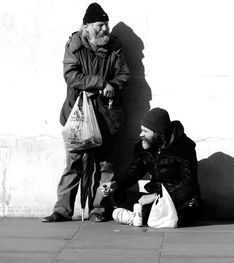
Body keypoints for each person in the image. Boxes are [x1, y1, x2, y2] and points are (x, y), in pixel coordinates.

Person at [42, 2, 129, 223]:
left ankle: (99, 209)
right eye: (100, 25)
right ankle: (62, 210)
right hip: (78, 117)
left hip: (107, 117)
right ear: (87, 27)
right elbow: (71, 76)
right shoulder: (74, 46)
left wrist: (111, 88)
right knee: (74, 164)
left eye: (106, 25)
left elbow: (124, 75)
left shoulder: (114, 47)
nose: (105, 29)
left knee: (105, 166)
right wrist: (100, 84)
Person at [101, 108, 201, 226]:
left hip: (177, 200)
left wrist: (158, 197)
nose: (140, 134)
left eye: (145, 131)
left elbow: (188, 187)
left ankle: (138, 216)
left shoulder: (184, 148)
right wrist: (116, 183)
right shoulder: (145, 145)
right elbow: (133, 172)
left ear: (158, 133)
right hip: (153, 196)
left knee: (175, 211)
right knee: (117, 195)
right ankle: (140, 215)